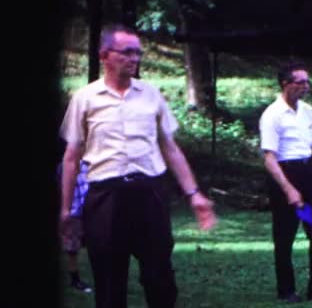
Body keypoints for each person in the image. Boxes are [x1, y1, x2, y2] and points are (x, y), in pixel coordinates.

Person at [59, 24, 217, 308]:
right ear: (105, 55)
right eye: (127, 52)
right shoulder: (85, 98)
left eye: (138, 53)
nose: (135, 59)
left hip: (149, 194)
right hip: (105, 197)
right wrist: (66, 209)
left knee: (160, 279)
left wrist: (194, 194)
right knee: (109, 281)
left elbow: (170, 148)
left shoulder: (151, 95)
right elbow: (71, 157)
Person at [259, 61, 312, 304]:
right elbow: (269, 158)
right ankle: (286, 290)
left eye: (308, 82)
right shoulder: (271, 115)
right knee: (284, 236)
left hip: (309, 173)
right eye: (300, 82)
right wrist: (288, 189)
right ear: (285, 84)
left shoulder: (307, 111)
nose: (306, 87)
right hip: (284, 174)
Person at [57, 159, 92, 293]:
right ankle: (74, 280)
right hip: (72, 212)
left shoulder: (88, 164)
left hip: (90, 212)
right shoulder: (64, 166)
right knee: (72, 248)